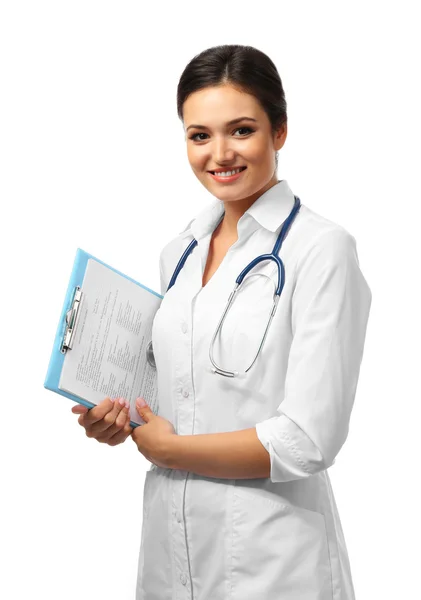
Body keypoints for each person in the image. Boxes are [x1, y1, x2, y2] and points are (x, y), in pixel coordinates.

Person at [72, 44, 372, 600]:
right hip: (172, 551)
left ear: (279, 132)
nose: (220, 153)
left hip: (274, 562)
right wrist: (121, 419)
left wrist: (170, 449)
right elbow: (174, 399)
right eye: (199, 135)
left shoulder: (321, 249)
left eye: (241, 130)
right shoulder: (179, 252)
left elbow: (308, 439)